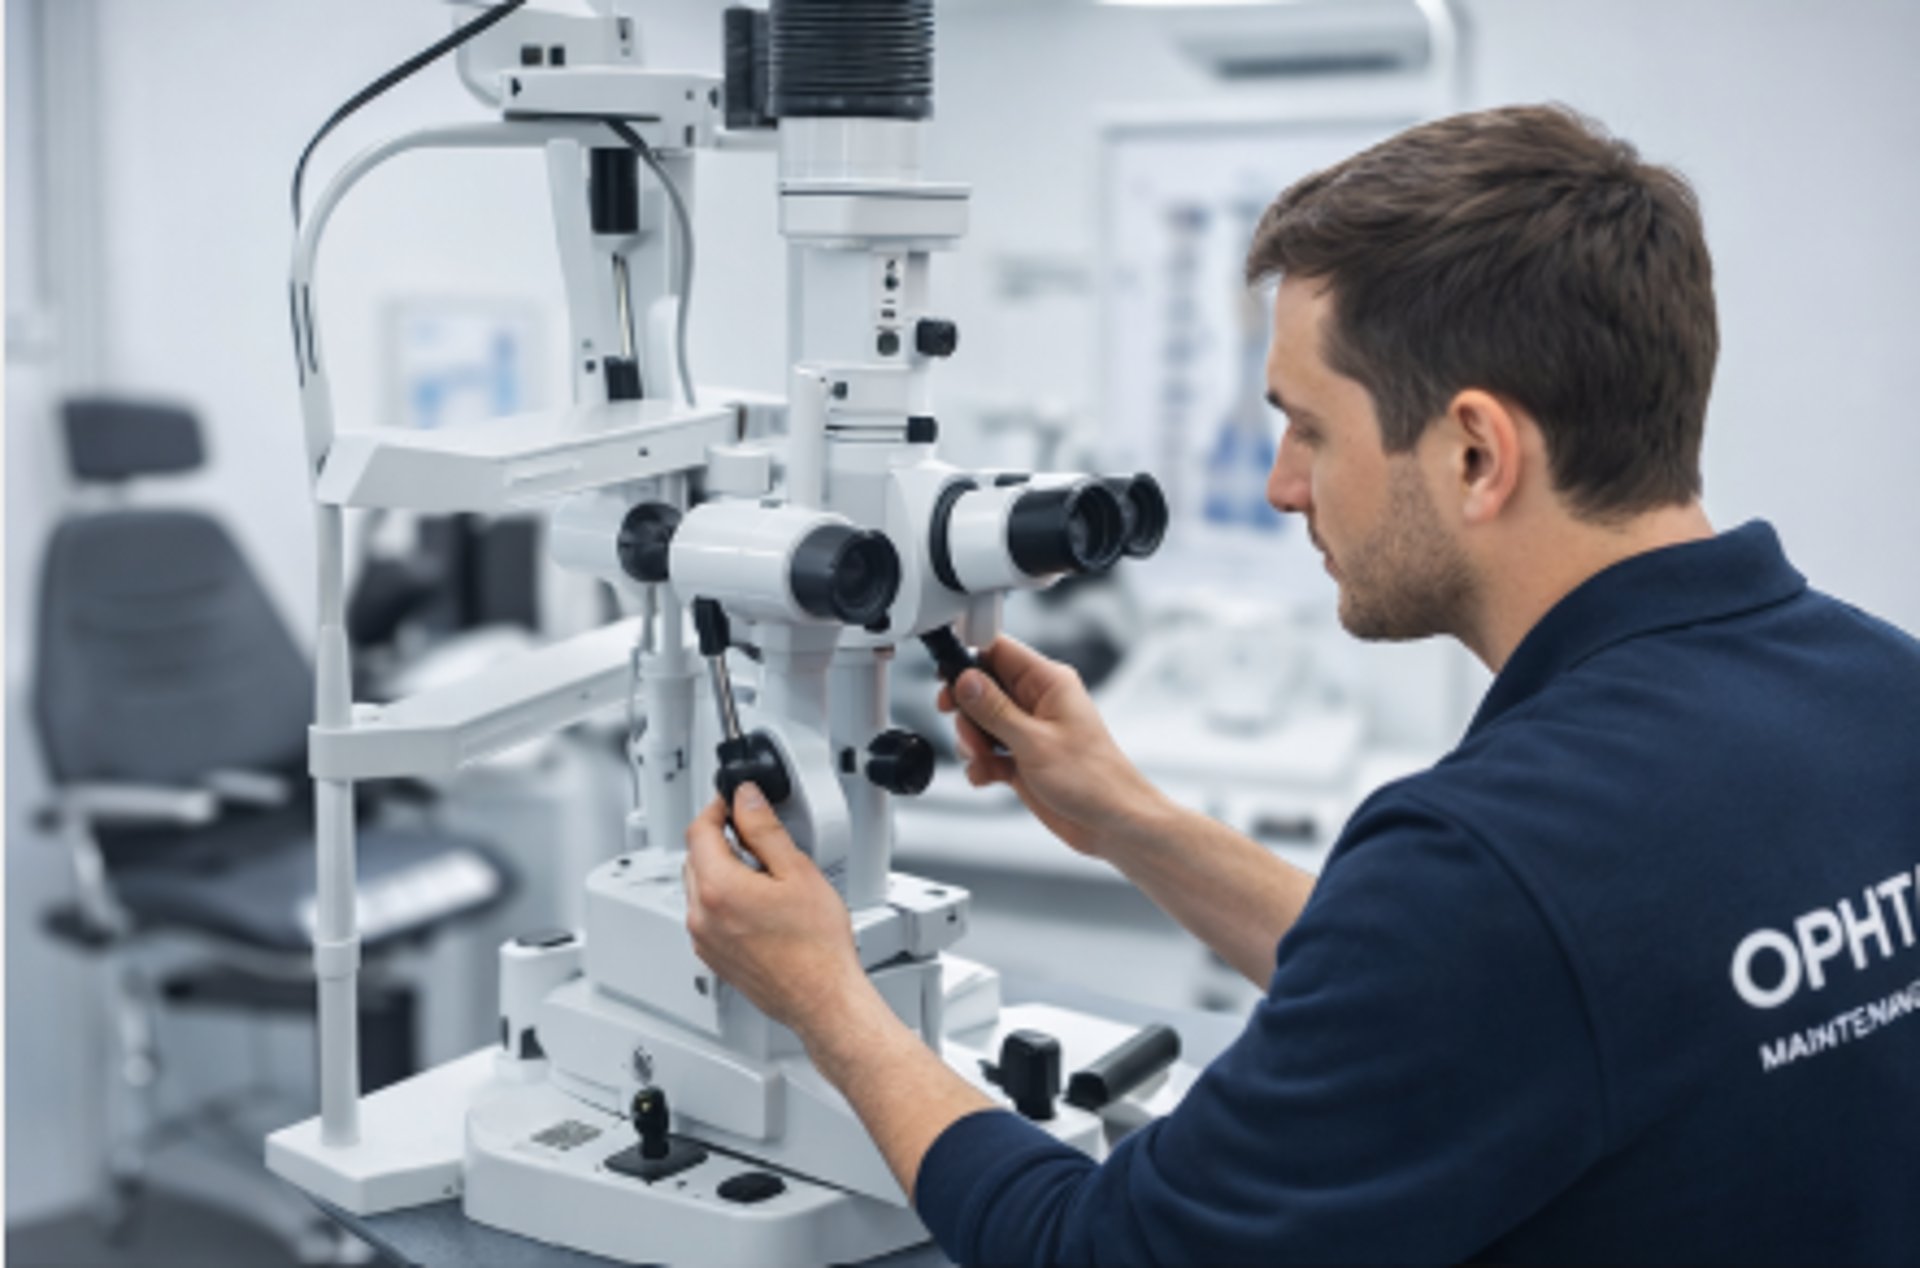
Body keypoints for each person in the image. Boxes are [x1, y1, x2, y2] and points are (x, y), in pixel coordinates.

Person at [681, 104, 1920, 1263]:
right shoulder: (1885, 690)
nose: (1282, 482)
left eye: (1309, 426)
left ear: (1477, 451)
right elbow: (1475, 1001)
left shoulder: (1486, 863)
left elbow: (1098, 1246)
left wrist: (828, 998)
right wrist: (1130, 819)